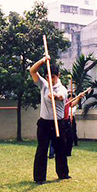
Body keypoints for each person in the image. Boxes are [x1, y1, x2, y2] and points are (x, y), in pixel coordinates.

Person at [30, 55, 70, 184]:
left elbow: (61, 97)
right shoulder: (44, 85)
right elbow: (32, 71)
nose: (50, 79)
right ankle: (39, 177)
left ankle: (63, 174)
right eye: (48, 76)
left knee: (60, 149)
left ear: (58, 75)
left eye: (52, 76)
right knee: (42, 149)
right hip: (44, 124)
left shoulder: (62, 89)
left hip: (58, 123)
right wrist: (42, 61)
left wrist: (55, 96)